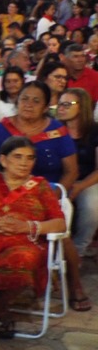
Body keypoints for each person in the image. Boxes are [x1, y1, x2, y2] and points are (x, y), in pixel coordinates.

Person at [0, 137, 67, 337]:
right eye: (18, 157)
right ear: (3, 160)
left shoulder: (40, 186)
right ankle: (0, 313)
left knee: (23, 259)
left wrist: (26, 226)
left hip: (25, 242)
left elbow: (60, 223)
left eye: (30, 158)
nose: (24, 163)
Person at [0, 81, 78, 188]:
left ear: (45, 107)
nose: (28, 105)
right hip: (6, 193)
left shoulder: (58, 132)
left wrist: (54, 196)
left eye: (36, 101)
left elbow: (71, 172)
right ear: (17, 102)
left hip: (49, 193)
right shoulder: (1, 129)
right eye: (24, 99)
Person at [58, 87, 98, 265]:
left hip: (88, 180)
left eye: (67, 104)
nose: (61, 108)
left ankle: (78, 250)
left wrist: (80, 186)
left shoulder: (94, 131)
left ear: (82, 107)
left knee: (90, 204)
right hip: (59, 179)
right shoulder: (55, 130)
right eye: (60, 104)